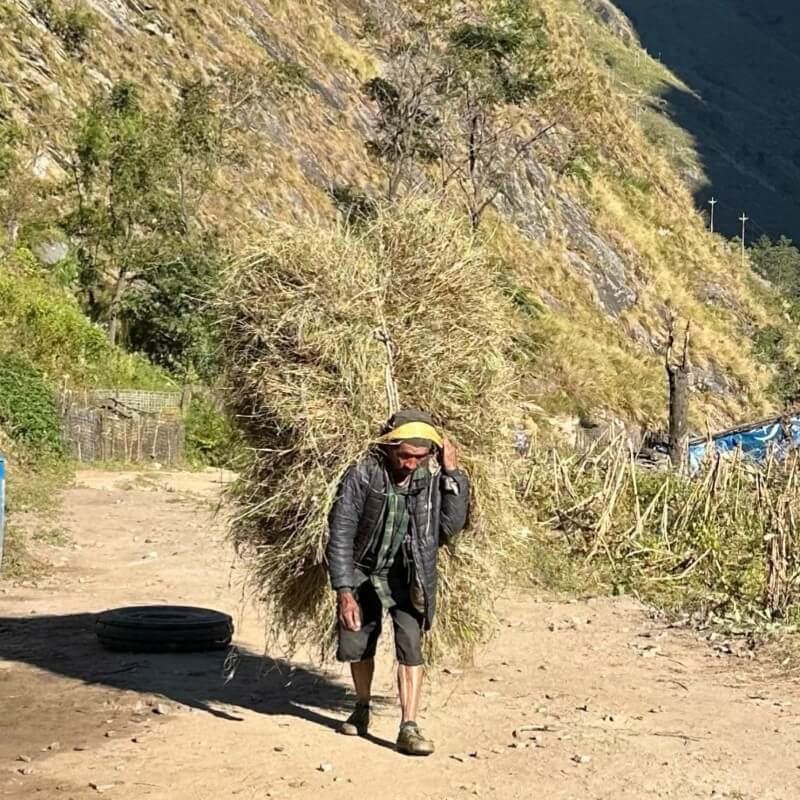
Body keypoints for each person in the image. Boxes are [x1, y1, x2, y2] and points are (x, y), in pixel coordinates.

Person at [326, 408, 470, 756]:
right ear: (389, 448)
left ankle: (409, 725)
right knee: (358, 643)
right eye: (405, 455)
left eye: (420, 457)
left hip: (409, 575)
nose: (410, 464)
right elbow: (341, 533)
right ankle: (361, 708)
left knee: (411, 647)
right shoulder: (363, 475)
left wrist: (453, 474)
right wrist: (345, 591)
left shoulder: (432, 480)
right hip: (364, 572)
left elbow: (450, 527)